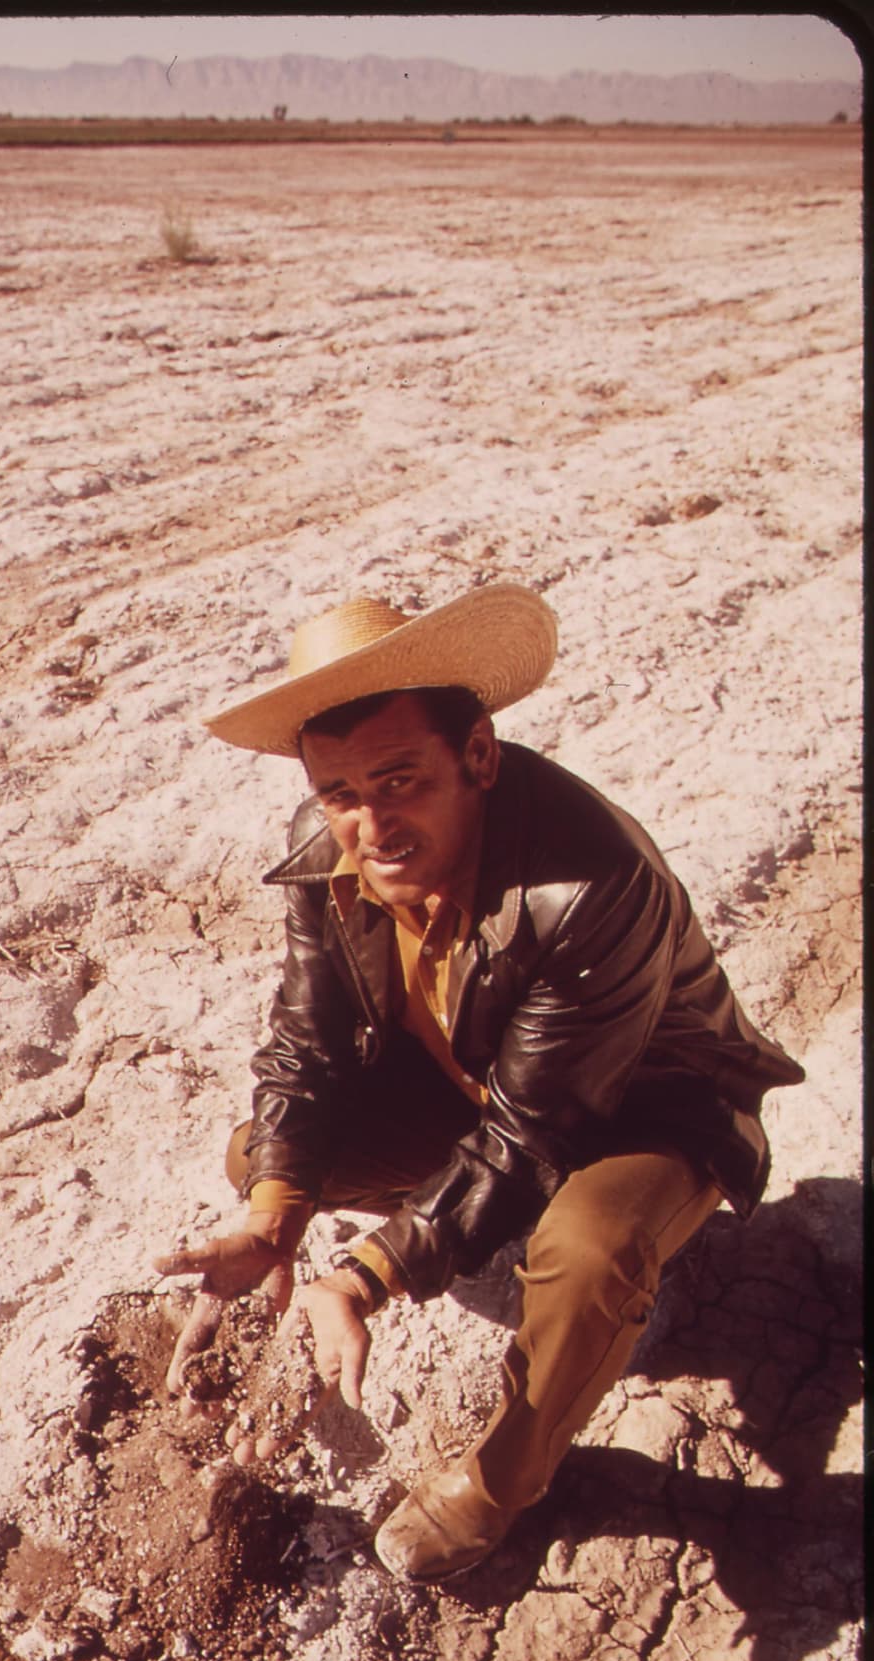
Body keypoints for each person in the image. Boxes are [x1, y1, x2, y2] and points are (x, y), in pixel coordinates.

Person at [156, 585, 805, 1582]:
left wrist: (363, 1275)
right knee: (262, 1156)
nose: (369, 823)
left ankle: (505, 1483)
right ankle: (475, 1235)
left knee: (587, 1247)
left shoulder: (591, 883)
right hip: (486, 1081)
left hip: (647, 1109)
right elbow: (304, 1049)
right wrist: (275, 1220)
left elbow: (533, 1135)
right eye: (339, 793)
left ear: (478, 756)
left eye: (398, 779)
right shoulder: (334, 849)